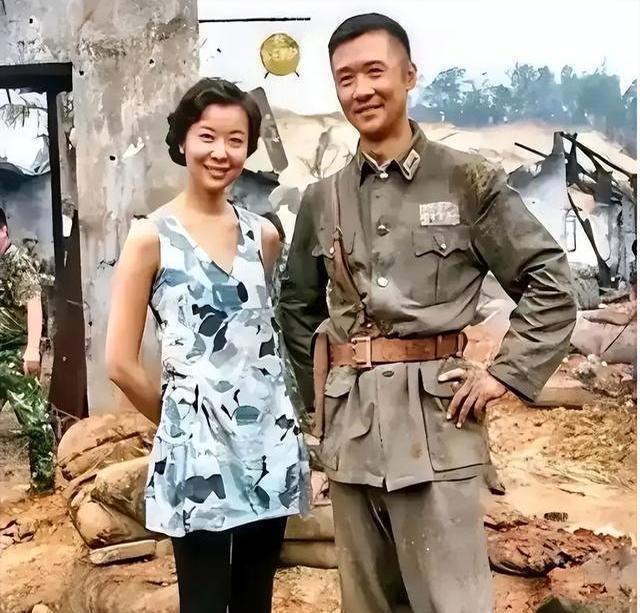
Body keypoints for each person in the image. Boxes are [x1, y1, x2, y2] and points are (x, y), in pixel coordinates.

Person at [278, 13, 577, 613]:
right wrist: (323, 405)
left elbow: (550, 282)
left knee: (451, 603)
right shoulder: (322, 198)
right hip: (352, 438)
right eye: (345, 79)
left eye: (374, 71)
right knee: (368, 604)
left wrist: (504, 374)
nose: (361, 90)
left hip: (438, 428)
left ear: (409, 75)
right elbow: (298, 307)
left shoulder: (467, 179)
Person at [106, 78, 308, 613]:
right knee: (203, 601)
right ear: (182, 140)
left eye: (236, 140)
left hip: (267, 443)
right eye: (207, 136)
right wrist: (179, 422)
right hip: (197, 454)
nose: (221, 152)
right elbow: (119, 363)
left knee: (255, 598)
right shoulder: (150, 237)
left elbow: (258, 338)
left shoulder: (264, 235)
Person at [0, 207, 54, 491]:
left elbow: (33, 304)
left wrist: (33, 349)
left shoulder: (17, 262)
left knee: (35, 421)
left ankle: (43, 485)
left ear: (4, 231)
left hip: (14, 353)